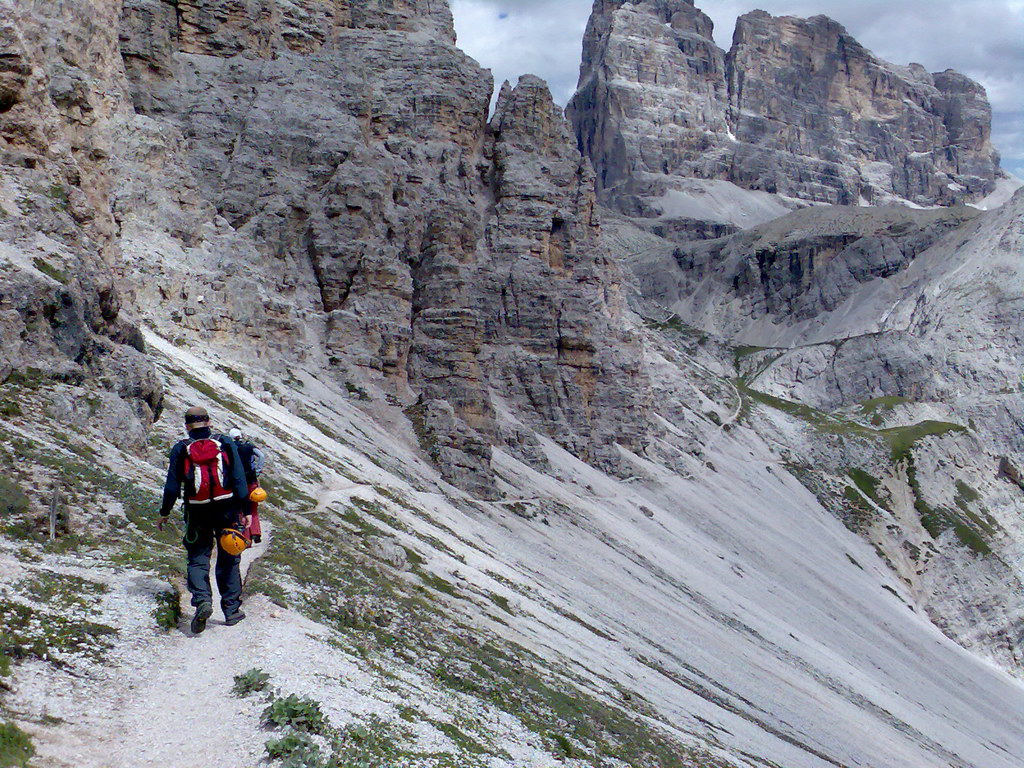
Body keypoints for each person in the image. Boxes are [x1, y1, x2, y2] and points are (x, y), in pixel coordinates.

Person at [158, 406, 250, 634]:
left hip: (197, 511)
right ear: (209, 422)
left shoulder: (181, 448)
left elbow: (172, 486)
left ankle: (202, 601)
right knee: (229, 559)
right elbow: (239, 478)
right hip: (227, 509)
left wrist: (165, 512)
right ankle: (231, 611)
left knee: (198, 559)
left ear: (187, 426)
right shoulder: (225, 442)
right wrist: (246, 510)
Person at [228, 427, 265, 544]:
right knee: (253, 507)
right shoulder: (248, 446)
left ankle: (246, 536)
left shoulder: (231, 448)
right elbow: (262, 456)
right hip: (251, 480)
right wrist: (258, 470)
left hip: (238, 482)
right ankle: (256, 532)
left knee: (241, 509)